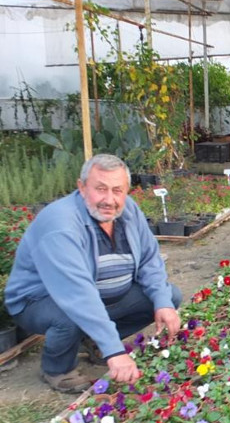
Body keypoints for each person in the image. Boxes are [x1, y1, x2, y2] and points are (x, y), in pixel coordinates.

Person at [4, 154, 182, 393]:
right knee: (68, 317)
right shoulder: (61, 224)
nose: (109, 199)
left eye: (117, 190)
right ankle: (57, 369)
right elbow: (76, 294)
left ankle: (93, 339)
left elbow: (150, 258)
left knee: (168, 297)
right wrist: (115, 350)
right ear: (82, 187)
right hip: (40, 300)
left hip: (98, 295)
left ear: (127, 190)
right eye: (100, 189)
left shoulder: (128, 210)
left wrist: (162, 302)